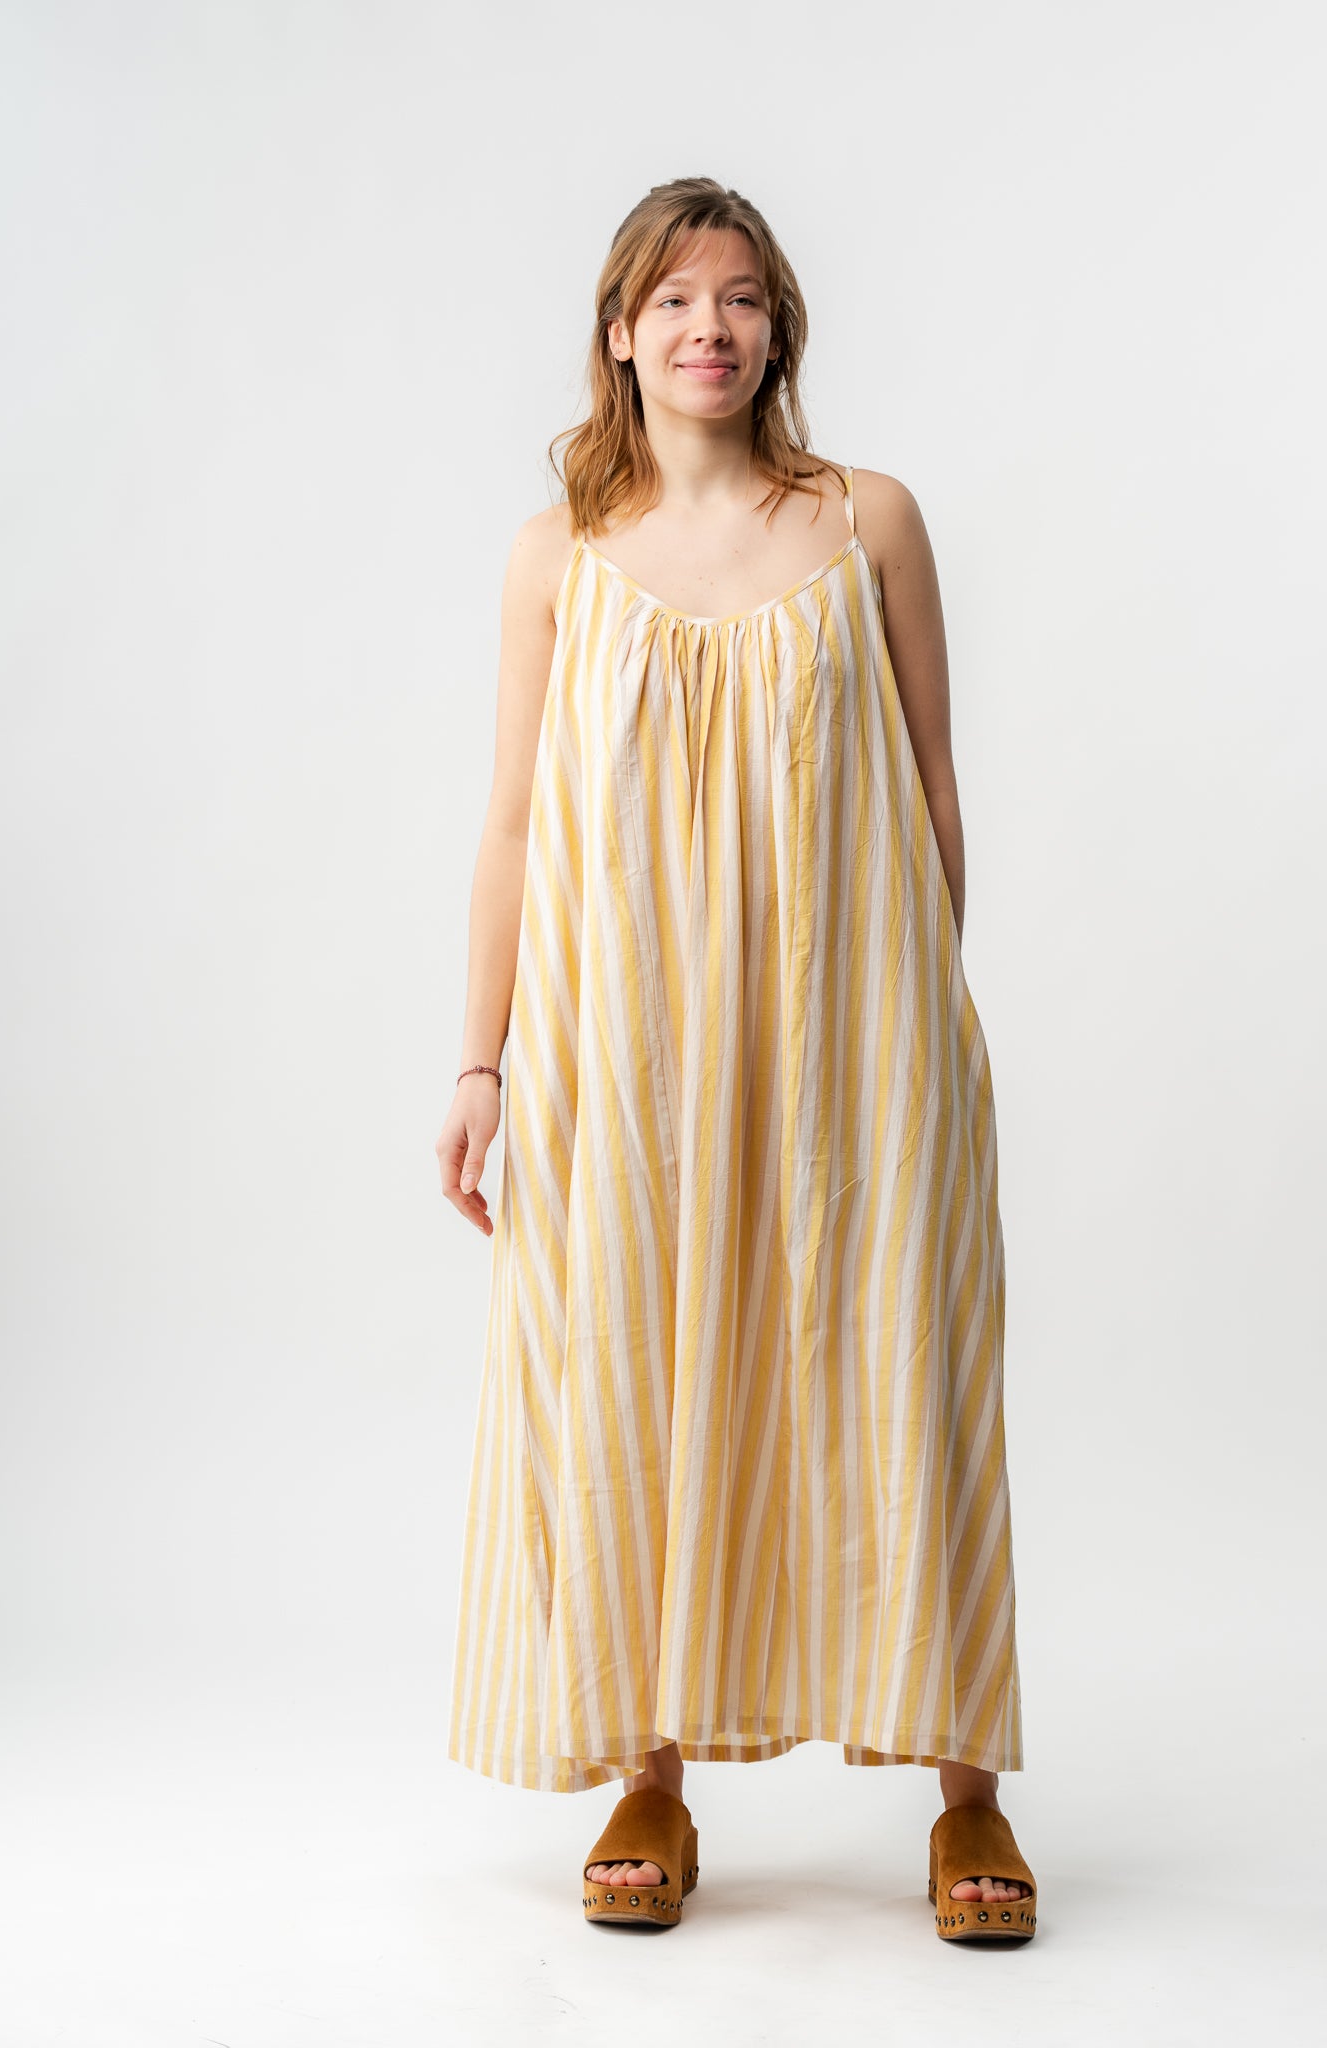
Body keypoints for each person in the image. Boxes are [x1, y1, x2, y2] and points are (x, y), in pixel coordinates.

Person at [437, 176, 1038, 1945]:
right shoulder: (556, 556)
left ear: (780, 332)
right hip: (624, 1060)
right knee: (632, 1376)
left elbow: (934, 789)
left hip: (861, 1045)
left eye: (744, 298)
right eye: (676, 299)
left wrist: (924, 1022)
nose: (711, 327)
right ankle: (651, 1772)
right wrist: (480, 1064)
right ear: (620, 333)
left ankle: (970, 1794)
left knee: (901, 1378)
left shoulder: (869, 522)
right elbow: (513, 828)